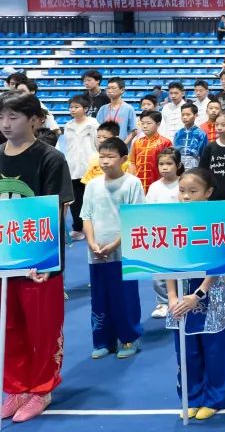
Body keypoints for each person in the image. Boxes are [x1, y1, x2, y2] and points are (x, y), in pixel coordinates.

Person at [0, 92, 74, 422]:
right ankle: (16, 388)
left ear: (34, 120)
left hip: (39, 261)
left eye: (13, 117)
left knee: (42, 328)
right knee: (9, 326)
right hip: (4, 256)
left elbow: (56, 210)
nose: (5, 124)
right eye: (1, 117)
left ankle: (41, 390)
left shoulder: (50, 158)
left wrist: (43, 258)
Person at [168, 168, 225, 420]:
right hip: (180, 296)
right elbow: (166, 262)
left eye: (193, 191)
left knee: (214, 351)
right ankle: (191, 397)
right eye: (182, 191)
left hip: (209, 294)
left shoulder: (217, 220)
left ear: (208, 192)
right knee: (187, 351)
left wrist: (199, 294)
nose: (185, 196)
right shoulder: (172, 221)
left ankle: (214, 399)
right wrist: (172, 297)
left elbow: (220, 261)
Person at [81, 135, 145, 360]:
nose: (105, 161)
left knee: (125, 297)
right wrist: (91, 243)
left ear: (124, 159)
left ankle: (129, 338)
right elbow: (86, 216)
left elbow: (135, 219)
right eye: (102, 156)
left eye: (110, 157)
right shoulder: (92, 185)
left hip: (123, 252)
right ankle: (103, 341)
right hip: (97, 251)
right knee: (100, 297)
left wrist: (115, 244)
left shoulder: (132, 183)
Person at [147, 148, 183, 319]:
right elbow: (148, 210)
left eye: (169, 163)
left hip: (180, 234)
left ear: (178, 165)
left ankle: (181, 297)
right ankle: (163, 302)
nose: (165, 167)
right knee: (160, 271)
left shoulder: (183, 184)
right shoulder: (154, 187)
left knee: (181, 269)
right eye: (161, 164)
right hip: (160, 235)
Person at [63, 94, 98, 242]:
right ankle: (78, 228)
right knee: (75, 200)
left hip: (90, 167)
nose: (72, 109)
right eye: (71, 107)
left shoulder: (93, 124)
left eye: (76, 107)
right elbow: (68, 146)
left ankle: (95, 227)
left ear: (85, 108)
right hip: (73, 167)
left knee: (92, 198)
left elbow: (97, 144)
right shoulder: (68, 125)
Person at [131, 110, 172, 192]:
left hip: (158, 183)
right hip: (139, 184)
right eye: (142, 123)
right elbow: (132, 163)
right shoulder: (137, 142)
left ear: (158, 124)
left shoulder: (165, 142)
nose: (145, 126)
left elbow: (169, 165)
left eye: (149, 123)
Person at [97, 76, 138, 144]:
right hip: (106, 147)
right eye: (108, 88)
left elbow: (134, 131)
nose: (110, 90)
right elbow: (98, 128)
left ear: (122, 90)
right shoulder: (103, 109)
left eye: (113, 88)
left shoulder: (128, 108)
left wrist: (123, 145)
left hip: (121, 147)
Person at [173, 103, 209, 172]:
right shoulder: (178, 133)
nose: (184, 117)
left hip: (195, 164)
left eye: (188, 114)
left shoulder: (200, 133)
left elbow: (204, 154)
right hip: (179, 165)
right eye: (183, 115)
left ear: (195, 115)